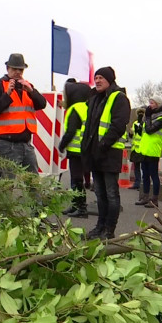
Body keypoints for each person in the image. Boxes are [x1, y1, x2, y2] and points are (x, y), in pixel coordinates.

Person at [80, 67, 131, 239]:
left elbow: (118, 126)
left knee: (111, 193)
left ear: (110, 80)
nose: (98, 80)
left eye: (101, 77)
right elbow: (89, 127)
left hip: (109, 153)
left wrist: (102, 145)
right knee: (100, 194)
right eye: (96, 78)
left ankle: (109, 230)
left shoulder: (119, 98)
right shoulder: (94, 98)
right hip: (95, 154)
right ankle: (99, 227)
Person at [0, 53, 47, 178]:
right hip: (6, 144)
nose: (18, 72)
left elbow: (42, 104)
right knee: (7, 183)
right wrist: (7, 95)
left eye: (20, 69)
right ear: (7, 68)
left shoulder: (27, 86)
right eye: (14, 69)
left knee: (33, 183)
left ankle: (35, 199)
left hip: (26, 143)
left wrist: (31, 91)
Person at [58, 79, 91, 218]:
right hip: (85, 150)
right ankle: (75, 205)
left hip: (76, 151)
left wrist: (61, 146)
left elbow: (70, 132)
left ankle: (81, 208)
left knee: (76, 180)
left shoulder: (75, 109)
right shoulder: (87, 107)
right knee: (78, 180)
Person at [135, 98, 162, 208]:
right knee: (145, 175)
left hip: (153, 150)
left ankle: (155, 199)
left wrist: (147, 117)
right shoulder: (148, 118)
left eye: (152, 103)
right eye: (150, 103)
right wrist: (140, 120)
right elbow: (140, 132)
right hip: (145, 149)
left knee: (154, 175)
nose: (150, 105)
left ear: (158, 105)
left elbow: (149, 130)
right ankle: (145, 197)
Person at [128, 108, 146, 191]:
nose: (140, 115)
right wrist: (130, 133)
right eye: (139, 113)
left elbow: (140, 134)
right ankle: (137, 183)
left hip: (143, 148)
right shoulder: (135, 123)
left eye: (142, 113)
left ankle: (143, 184)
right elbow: (133, 135)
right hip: (135, 148)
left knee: (144, 168)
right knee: (136, 168)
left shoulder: (145, 123)